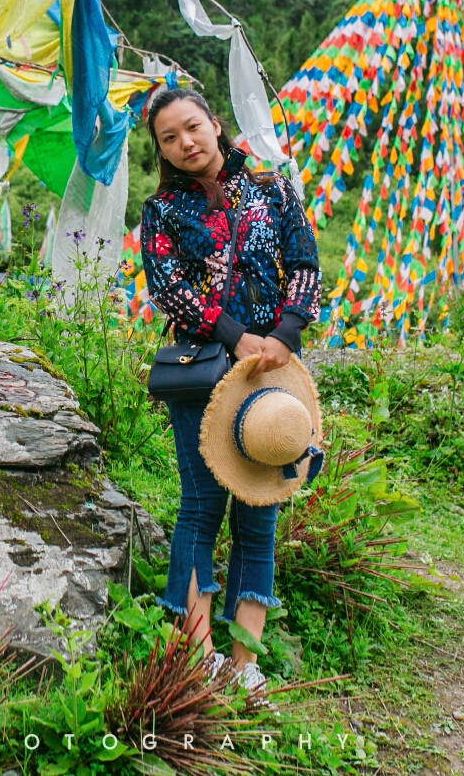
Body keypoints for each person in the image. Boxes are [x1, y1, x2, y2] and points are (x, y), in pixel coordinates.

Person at [138, 88, 320, 695]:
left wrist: (285, 335)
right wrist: (237, 336)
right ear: (161, 149)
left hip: (271, 374)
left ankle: (246, 659)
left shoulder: (274, 189)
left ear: (214, 124)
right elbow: (168, 288)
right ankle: (197, 652)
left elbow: (304, 264)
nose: (186, 142)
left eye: (192, 127)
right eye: (170, 137)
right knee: (201, 505)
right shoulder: (161, 211)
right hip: (206, 369)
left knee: (259, 508)